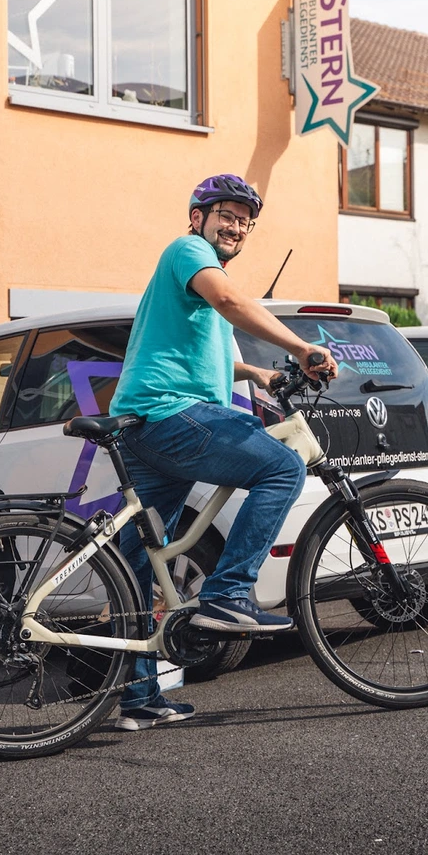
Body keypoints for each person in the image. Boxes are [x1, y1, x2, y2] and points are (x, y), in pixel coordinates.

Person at [108, 174, 338, 731]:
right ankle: (229, 594)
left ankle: (138, 697)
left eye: (243, 220)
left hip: (147, 422)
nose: (234, 226)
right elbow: (232, 301)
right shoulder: (188, 252)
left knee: (139, 558)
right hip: (168, 414)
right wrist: (302, 346)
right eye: (224, 215)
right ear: (197, 218)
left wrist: (255, 370)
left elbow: (204, 350)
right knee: (282, 467)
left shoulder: (196, 282)